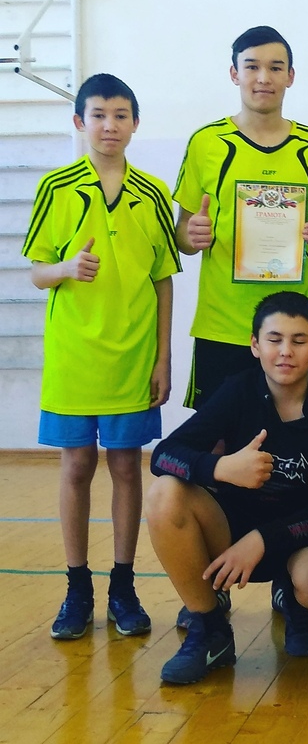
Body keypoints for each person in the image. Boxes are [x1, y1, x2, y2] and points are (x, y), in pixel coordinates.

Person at [24, 74, 178, 641]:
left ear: (135, 123)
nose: (109, 125)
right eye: (98, 115)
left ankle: (123, 586)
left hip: (133, 356)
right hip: (74, 356)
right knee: (76, 466)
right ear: (79, 122)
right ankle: (76, 587)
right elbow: (37, 273)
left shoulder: (154, 193)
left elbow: (163, 280)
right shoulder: (56, 187)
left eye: (120, 115)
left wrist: (162, 357)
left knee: (126, 467)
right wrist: (66, 268)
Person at [146, 292, 308, 684]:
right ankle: (210, 629)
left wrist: (263, 539)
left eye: (299, 340)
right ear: (255, 345)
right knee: (165, 494)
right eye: (274, 339)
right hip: (233, 530)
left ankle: (299, 604)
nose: (285, 351)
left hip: (305, 536)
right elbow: (163, 455)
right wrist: (220, 467)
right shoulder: (237, 390)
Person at [173, 25, 308, 409]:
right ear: (235, 73)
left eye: (275, 67)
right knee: (216, 436)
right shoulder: (206, 143)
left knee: (290, 432)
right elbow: (182, 234)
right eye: (252, 67)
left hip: (289, 331)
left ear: (290, 76)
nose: (263, 77)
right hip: (222, 325)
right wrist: (191, 236)